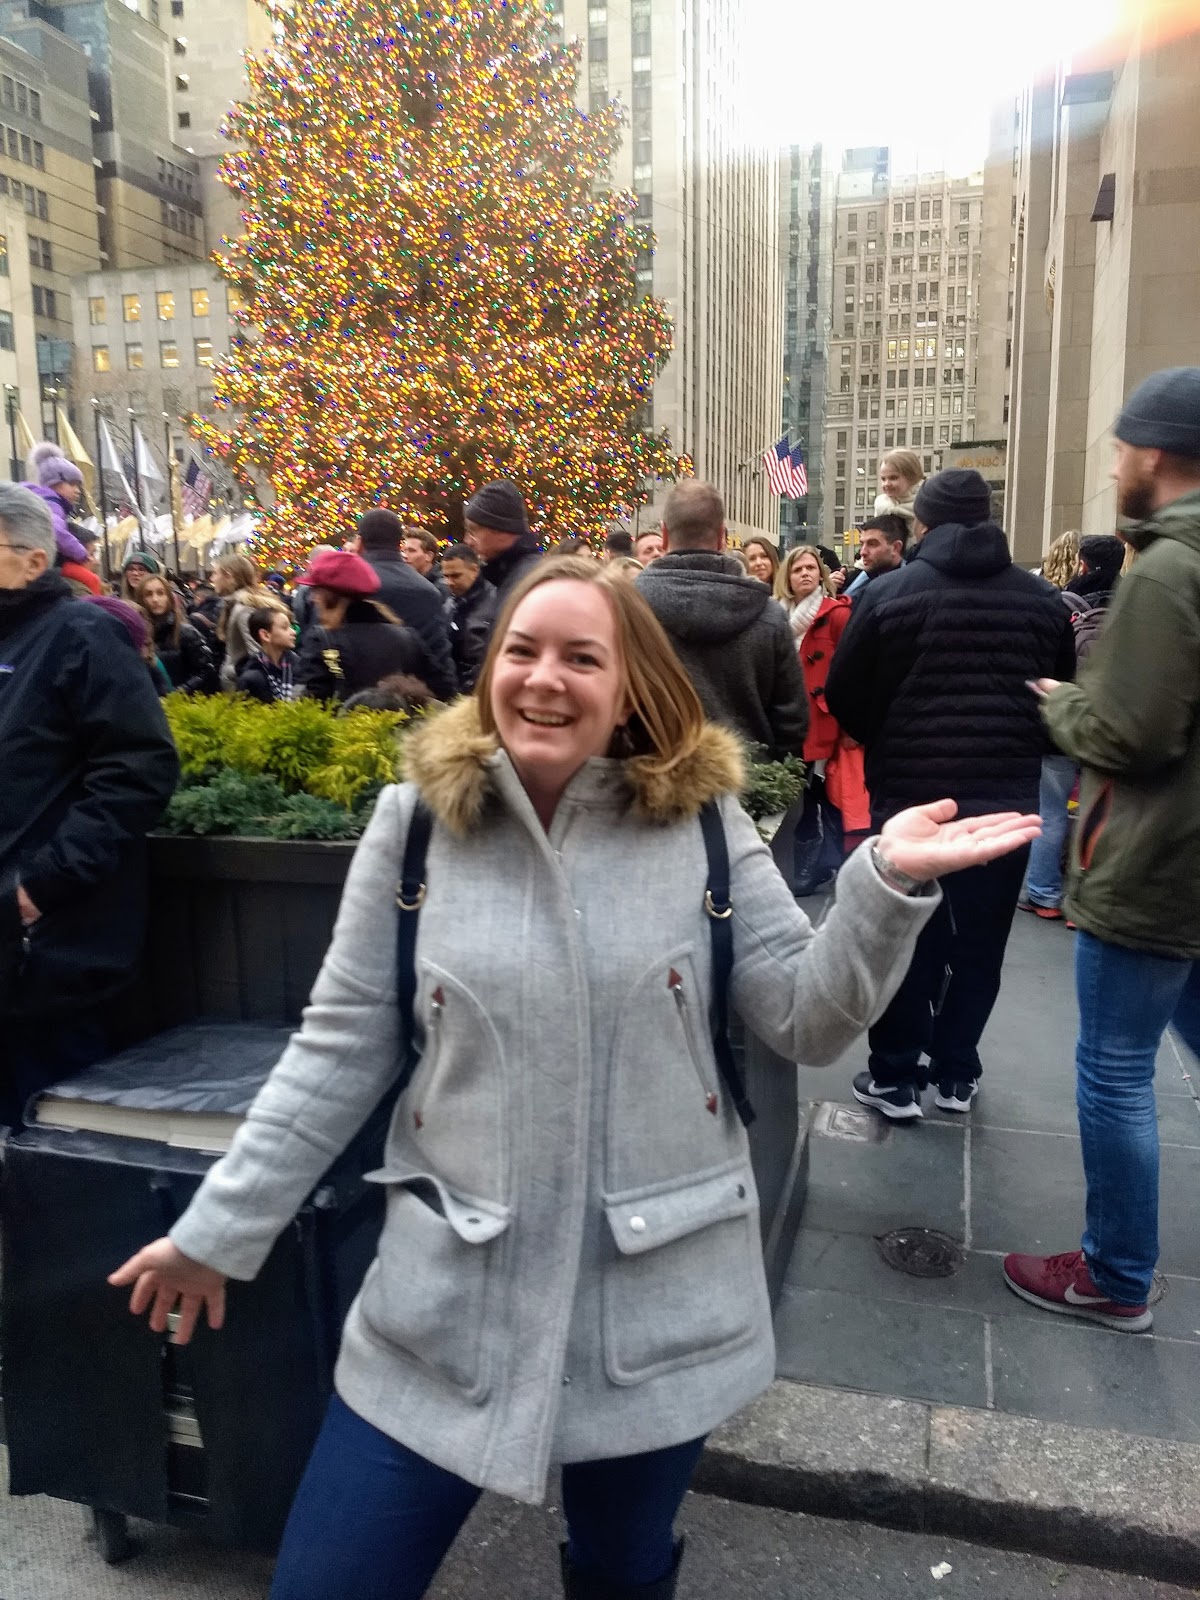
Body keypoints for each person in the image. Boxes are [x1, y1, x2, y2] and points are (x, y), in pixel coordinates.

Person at [108, 554, 1038, 1600]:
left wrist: (883, 882)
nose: (545, 677)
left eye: (582, 658)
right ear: (489, 669)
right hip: (445, 1304)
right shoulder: (414, 828)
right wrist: (220, 1230)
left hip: (656, 1306)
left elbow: (806, 1018)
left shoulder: (704, 828)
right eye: (522, 649)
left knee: (620, 1570)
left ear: (629, 687)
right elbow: (337, 1049)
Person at [1002, 368, 1200, 1334]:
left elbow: (1131, 735)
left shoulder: (1166, 571)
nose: (1115, 465)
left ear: (1154, 454)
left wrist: (1066, 705)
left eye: (1121, 448)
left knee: (1115, 1069)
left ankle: (1115, 1275)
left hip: (1155, 865)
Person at [826, 468, 1077, 1119]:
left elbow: (846, 691)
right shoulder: (1043, 601)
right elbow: (1059, 697)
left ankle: (895, 1074)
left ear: (923, 524)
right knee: (982, 945)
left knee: (907, 936)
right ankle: (957, 1071)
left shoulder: (889, 593)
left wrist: (888, 736)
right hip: (1005, 801)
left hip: (911, 799)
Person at [0, 485, 178, 1129]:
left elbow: (139, 768)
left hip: (50, 956)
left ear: (33, 559)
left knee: (53, 1140)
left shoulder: (83, 633)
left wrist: (40, 887)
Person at [636, 481, 808, 758]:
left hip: (651, 774)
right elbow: (792, 719)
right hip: (750, 776)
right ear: (722, 537)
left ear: (664, 535)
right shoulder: (770, 616)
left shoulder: (627, 609)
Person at [1018, 533, 1125, 921]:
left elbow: (1047, 667)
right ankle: (1089, 900)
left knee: (1051, 811)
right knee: (1106, 814)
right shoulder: (1130, 604)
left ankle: (1043, 892)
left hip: (1061, 724)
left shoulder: (1061, 603)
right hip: (1113, 723)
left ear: (1082, 563)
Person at [776, 546, 870, 855]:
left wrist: (851, 726)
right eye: (797, 569)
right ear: (787, 577)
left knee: (827, 797)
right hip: (787, 723)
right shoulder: (776, 616)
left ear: (821, 574)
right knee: (795, 799)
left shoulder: (838, 614)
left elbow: (855, 673)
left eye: (811, 568)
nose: (805, 573)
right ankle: (806, 858)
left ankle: (826, 862)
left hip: (826, 725)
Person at [295, 549, 425, 703]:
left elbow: (310, 701)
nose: (313, 598)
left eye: (316, 591)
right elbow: (441, 686)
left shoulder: (321, 640)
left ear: (331, 596)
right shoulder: (407, 637)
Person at [353, 512, 455, 700]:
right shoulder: (428, 591)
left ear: (359, 542)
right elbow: (439, 659)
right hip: (411, 699)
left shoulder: (348, 585)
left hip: (350, 700)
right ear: (399, 544)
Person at [464, 480, 542, 624]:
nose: (468, 541)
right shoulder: (506, 576)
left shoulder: (529, 582)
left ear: (501, 530)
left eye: (473, 531)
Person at [26, 444, 101, 593]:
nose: (77, 491)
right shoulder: (52, 504)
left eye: (78, 486)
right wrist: (81, 553)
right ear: (54, 482)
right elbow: (56, 530)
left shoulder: (44, 501)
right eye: (72, 484)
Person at [214, 552, 291, 690]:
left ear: (228, 576)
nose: (212, 578)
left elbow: (260, 653)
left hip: (244, 688)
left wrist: (232, 673)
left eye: (215, 573)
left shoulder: (243, 608)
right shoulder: (239, 603)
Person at [139, 573, 218, 694]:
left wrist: (179, 693)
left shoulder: (186, 632)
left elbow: (206, 671)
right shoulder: (138, 634)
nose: (155, 599)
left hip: (182, 701)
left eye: (160, 593)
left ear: (169, 597)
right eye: (149, 594)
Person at [442, 542, 496, 694]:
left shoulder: (496, 602)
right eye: (446, 576)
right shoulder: (449, 603)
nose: (449, 582)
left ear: (474, 570)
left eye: (456, 576)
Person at [236, 607, 302, 703]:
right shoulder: (251, 679)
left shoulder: (300, 668)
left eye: (291, 627)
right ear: (265, 635)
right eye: (285, 627)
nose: (294, 632)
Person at [843, 515, 908, 603]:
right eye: (861, 544)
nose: (862, 552)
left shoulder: (911, 587)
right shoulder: (852, 579)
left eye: (872, 544)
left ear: (895, 548)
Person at [874, 448, 924, 530]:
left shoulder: (926, 505)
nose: (887, 484)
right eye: (883, 479)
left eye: (893, 478)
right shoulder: (882, 504)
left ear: (912, 477)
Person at [402, 527, 450, 600]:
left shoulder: (441, 587)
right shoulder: (407, 581)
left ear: (429, 556)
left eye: (411, 551)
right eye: (403, 551)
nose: (405, 555)